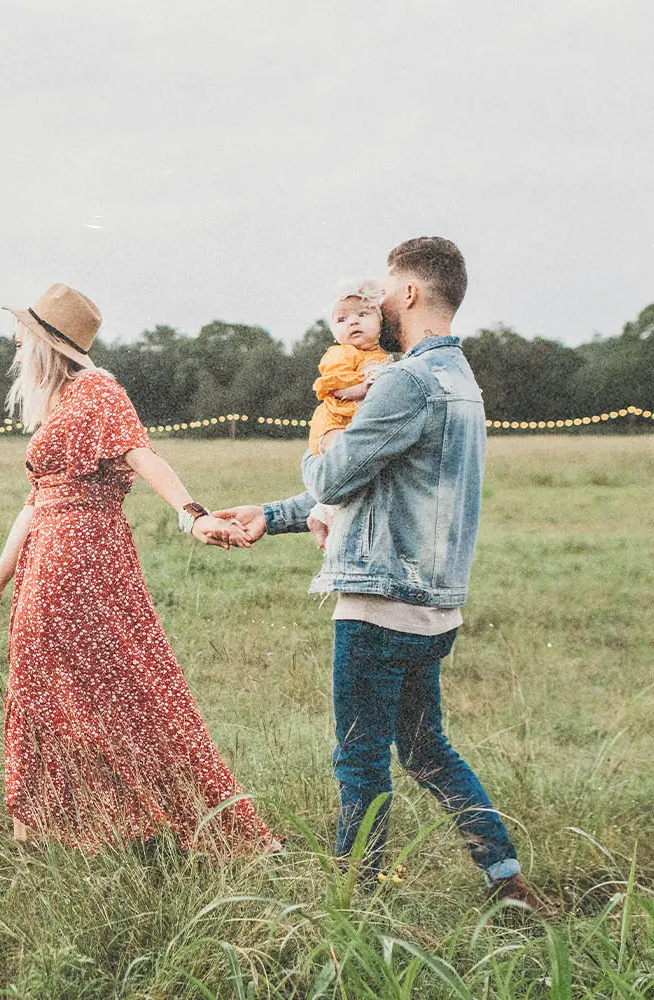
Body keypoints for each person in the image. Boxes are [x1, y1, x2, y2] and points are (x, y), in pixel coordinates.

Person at [216, 238, 549, 911]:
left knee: (360, 761)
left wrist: (323, 445)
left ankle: (353, 905)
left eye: (388, 291)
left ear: (412, 295)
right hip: (434, 608)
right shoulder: (461, 380)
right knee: (428, 752)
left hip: (379, 605)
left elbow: (338, 474)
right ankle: (505, 879)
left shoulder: (405, 380)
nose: (378, 303)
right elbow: (380, 487)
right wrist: (273, 515)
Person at [0, 282, 275, 854]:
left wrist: (192, 514)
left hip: (81, 558)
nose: (13, 343)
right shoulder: (59, 403)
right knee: (56, 689)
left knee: (117, 687)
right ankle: (59, 828)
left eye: (22, 333)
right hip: (48, 558)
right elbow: (34, 504)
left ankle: (145, 821)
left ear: (45, 342)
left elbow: (142, 453)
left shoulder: (97, 391)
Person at [306, 279, 394, 549]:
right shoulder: (342, 353)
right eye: (342, 319)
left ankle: (323, 514)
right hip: (334, 421)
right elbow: (331, 385)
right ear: (333, 330)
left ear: (380, 322)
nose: (353, 322)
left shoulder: (384, 356)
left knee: (358, 470)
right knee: (345, 460)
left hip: (355, 421)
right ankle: (324, 516)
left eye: (362, 315)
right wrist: (360, 388)